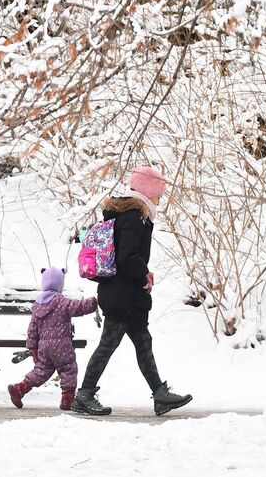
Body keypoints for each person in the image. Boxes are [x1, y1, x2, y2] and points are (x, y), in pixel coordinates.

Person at [72, 166, 193, 417]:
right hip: (122, 294)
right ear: (148, 190)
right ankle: (84, 394)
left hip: (124, 293)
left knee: (143, 342)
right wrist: (143, 276)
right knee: (108, 344)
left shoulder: (129, 213)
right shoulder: (134, 216)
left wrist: (142, 275)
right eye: (159, 191)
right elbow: (127, 256)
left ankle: (160, 394)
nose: (161, 197)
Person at [8, 267, 98, 410]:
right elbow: (79, 307)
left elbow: (32, 329)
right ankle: (67, 400)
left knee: (42, 370)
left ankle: (20, 388)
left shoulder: (38, 305)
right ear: (59, 285)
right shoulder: (62, 302)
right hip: (62, 346)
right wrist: (93, 302)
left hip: (44, 347)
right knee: (68, 369)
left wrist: (33, 347)